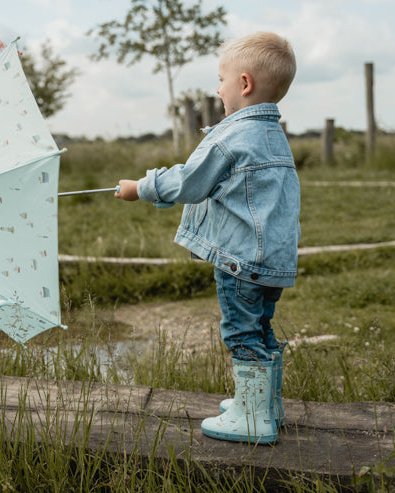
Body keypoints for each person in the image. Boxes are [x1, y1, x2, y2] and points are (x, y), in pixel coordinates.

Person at [115, 32, 299, 444]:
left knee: (240, 334)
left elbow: (189, 182)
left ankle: (251, 418)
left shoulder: (231, 136)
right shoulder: (274, 137)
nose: (218, 89)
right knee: (261, 329)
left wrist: (140, 188)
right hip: (271, 260)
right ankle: (266, 405)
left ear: (244, 84)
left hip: (239, 261)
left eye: (221, 79)